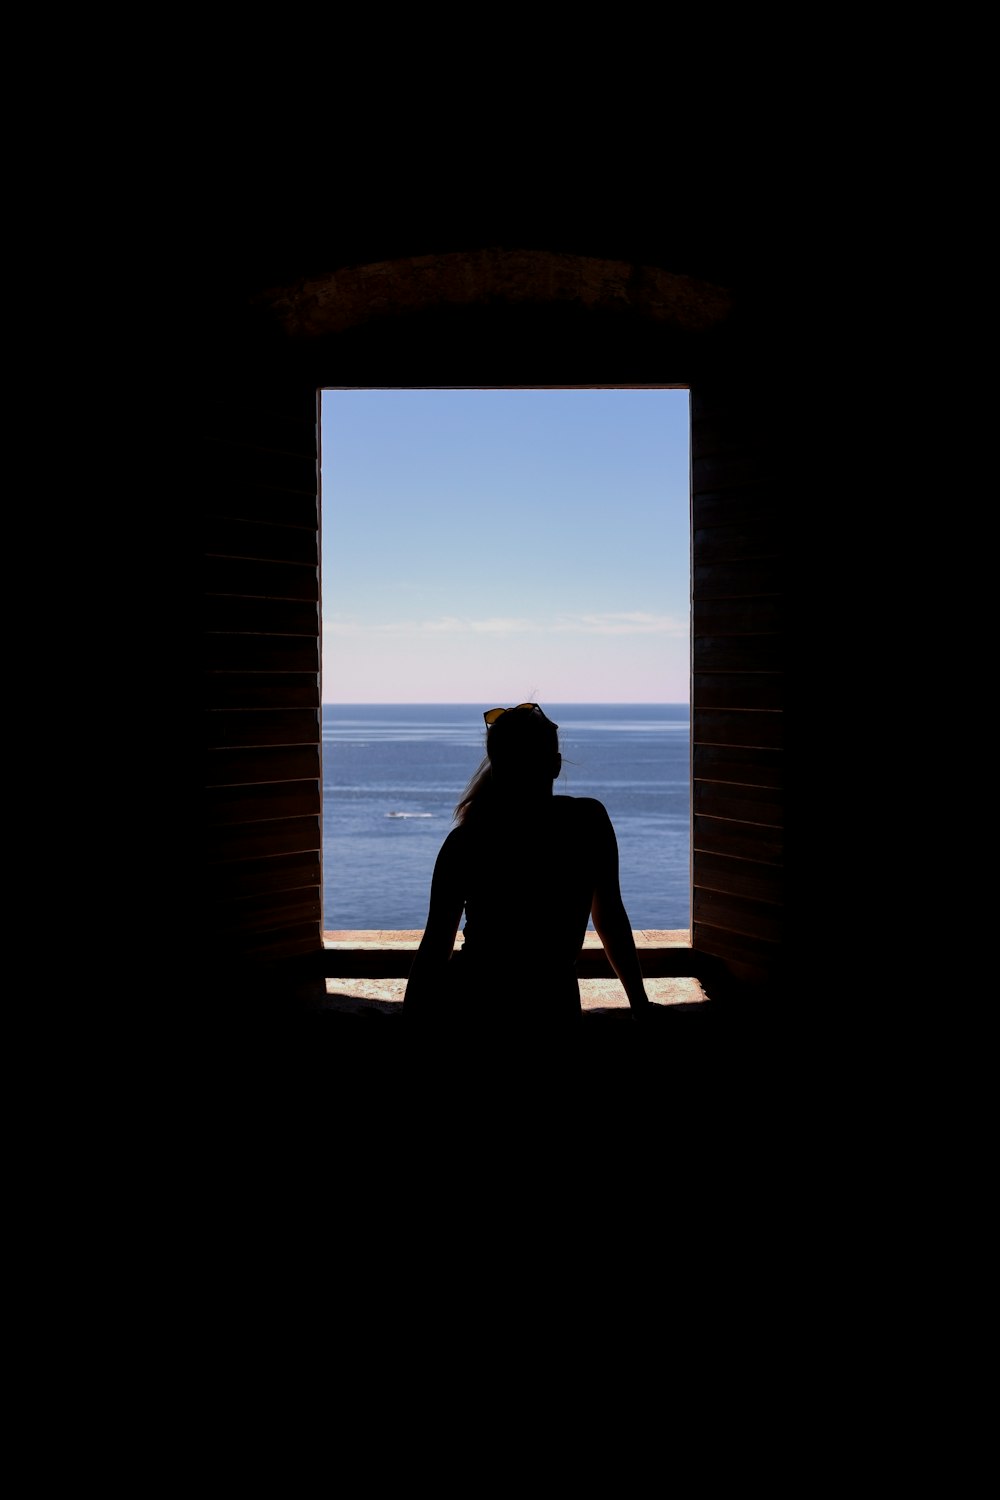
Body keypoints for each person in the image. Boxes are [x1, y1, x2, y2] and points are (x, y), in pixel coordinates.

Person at [403, 703, 654, 1030]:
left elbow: (435, 949)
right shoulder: (588, 822)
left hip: (471, 1005)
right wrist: (640, 1004)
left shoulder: (466, 841)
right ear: (555, 765)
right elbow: (610, 919)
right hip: (551, 1005)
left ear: (497, 765)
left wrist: (409, 1029)